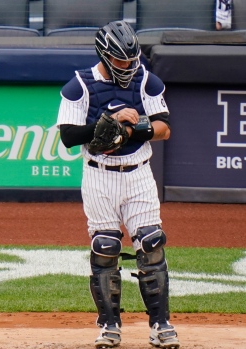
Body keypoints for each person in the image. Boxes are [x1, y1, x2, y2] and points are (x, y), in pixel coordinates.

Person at [56, 21, 180, 349]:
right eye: (122, 61)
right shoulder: (79, 85)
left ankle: (161, 324)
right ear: (106, 55)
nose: (129, 66)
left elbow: (163, 127)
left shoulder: (145, 81)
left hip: (138, 171)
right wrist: (106, 123)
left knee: (151, 244)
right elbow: (68, 135)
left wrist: (130, 127)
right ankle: (110, 325)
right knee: (105, 247)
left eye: (132, 59)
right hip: (99, 174)